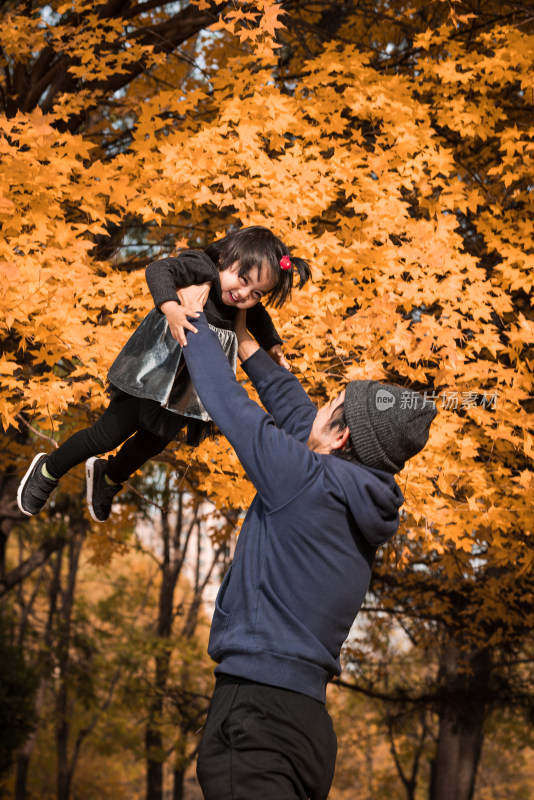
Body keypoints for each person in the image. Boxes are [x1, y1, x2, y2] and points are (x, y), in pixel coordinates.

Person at [174, 282, 437, 800]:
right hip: (306, 728)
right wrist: (246, 340)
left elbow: (228, 404)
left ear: (339, 438)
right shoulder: (360, 493)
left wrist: (193, 319)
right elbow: (295, 410)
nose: (317, 408)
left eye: (330, 404)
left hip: (255, 723)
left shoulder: (303, 481)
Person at [17, 226, 311, 522]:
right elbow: (160, 269)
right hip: (153, 374)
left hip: (187, 392)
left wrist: (272, 344)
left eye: (255, 293)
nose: (243, 294)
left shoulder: (239, 303)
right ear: (224, 258)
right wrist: (170, 307)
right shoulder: (202, 269)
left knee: (151, 444)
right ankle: (49, 468)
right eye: (243, 280)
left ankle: (108, 477)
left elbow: (259, 317)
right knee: (107, 435)